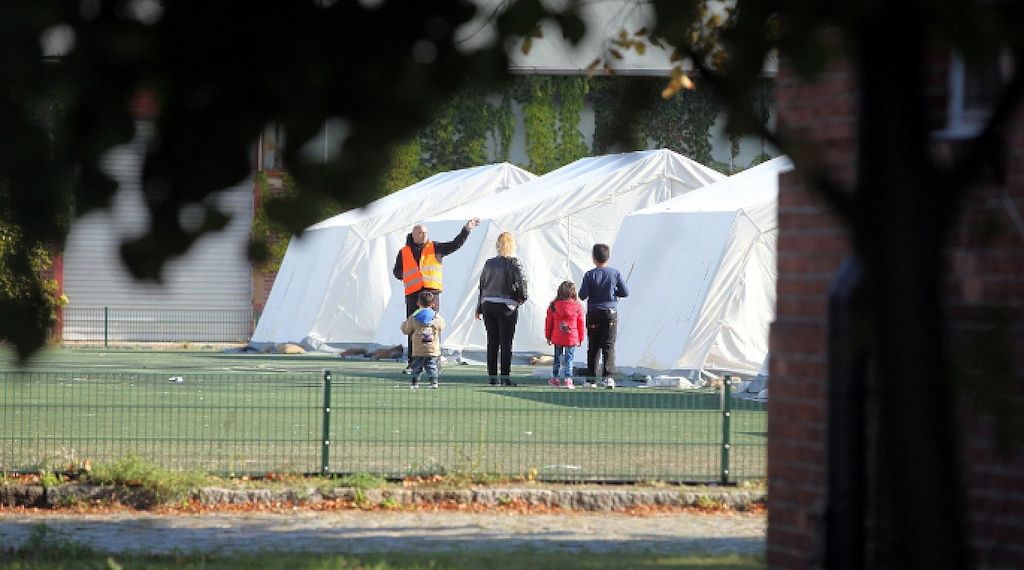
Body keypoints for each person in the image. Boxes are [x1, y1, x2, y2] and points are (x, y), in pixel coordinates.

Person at [393, 218, 479, 373]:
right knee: (413, 328)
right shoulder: (403, 252)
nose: (424, 235)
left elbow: (455, 244)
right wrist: (407, 275)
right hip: (413, 294)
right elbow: (396, 272)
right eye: (420, 232)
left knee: (432, 327)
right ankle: (413, 362)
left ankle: (434, 361)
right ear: (413, 235)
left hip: (431, 294)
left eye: (425, 232)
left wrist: (466, 229)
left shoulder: (435, 247)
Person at [475, 231, 527, 386]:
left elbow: (482, 285)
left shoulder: (489, 263)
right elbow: (522, 282)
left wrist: (479, 307)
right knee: (506, 343)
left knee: (492, 342)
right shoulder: (514, 263)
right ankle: (505, 378)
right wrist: (522, 298)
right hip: (506, 305)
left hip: (488, 304)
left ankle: (492, 378)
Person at [578, 243, 628, 389]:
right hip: (610, 313)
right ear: (608, 257)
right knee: (608, 345)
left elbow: (582, 295)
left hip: (594, 313)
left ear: (593, 258)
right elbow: (625, 292)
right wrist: (613, 293)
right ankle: (609, 378)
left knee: (593, 347)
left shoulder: (589, 274)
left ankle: (591, 379)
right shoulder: (615, 273)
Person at [400, 291, 446, 389]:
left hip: (418, 349)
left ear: (418, 303)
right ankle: (433, 382)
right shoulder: (436, 316)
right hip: (432, 350)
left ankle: (414, 383)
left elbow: (406, 330)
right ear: (433, 304)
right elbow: (442, 326)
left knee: (416, 368)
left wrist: (403, 325)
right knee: (432, 366)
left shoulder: (414, 316)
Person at [544, 280, 585, 389]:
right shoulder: (577, 306)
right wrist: (581, 338)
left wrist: (548, 336)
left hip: (557, 336)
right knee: (569, 359)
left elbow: (549, 322)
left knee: (557, 358)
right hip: (571, 337)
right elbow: (581, 323)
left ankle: (555, 378)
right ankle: (568, 379)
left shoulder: (553, 306)